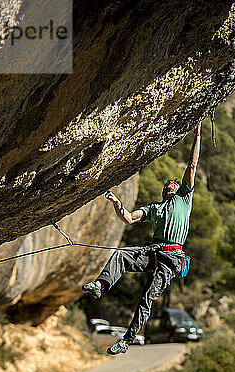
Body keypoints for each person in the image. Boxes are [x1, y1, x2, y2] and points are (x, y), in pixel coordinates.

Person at [82, 122, 202, 355]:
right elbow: (128, 218)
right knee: (121, 255)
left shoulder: (184, 200)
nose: (170, 187)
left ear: (179, 190)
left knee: (147, 298)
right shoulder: (154, 208)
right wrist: (117, 204)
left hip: (171, 258)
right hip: (153, 253)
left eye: (173, 185)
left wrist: (197, 133)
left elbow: (193, 165)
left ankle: (126, 340)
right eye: (167, 186)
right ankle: (100, 285)